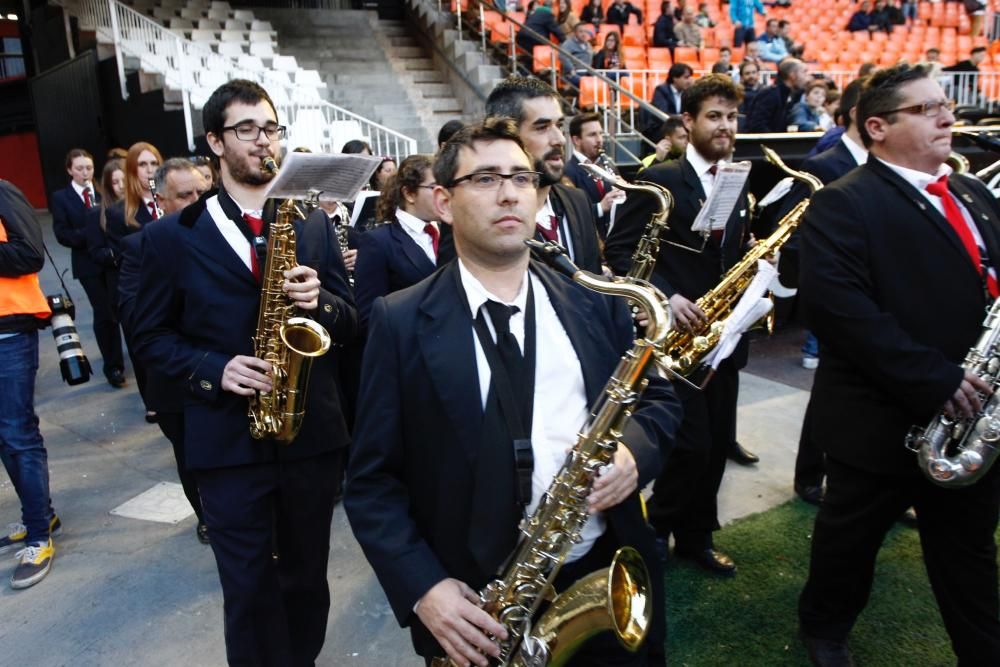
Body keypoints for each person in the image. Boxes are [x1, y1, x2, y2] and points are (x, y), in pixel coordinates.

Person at [344, 117, 681, 667]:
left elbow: (659, 401)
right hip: (476, 606)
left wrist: (631, 453)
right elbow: (371, 483)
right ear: (443, 201)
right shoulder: (398, 320)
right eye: (483, 179)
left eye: (522, 178)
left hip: (603, 568)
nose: (508, 193)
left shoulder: (595, 298)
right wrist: (424, 588)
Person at [130, 79, 358, 665]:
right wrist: (213, 368)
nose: (264, 141)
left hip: (309, 436)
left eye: (272, 128)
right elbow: (150, 337)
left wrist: (321, 303)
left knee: (307, 582)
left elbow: (349, 317)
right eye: (247, 129)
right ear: (215, 141)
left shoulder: (309, 224)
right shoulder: (166, 239)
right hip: (227, 441)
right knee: (250, 589)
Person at [796, 63, 1000, 667]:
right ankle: (825, 629)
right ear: (878, 126)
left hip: (970, 420)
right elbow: (840, 313)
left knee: (968, 553)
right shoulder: (842, 202)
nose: (947, 115)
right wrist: (934, 379)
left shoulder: (971, 191)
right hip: (880, 421)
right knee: (849, 542)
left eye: (946, 104)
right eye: (927, 108)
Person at [605, 73, 754, 577]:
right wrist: (668, 295)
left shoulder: (738, 176)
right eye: (714, 116)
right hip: (673, 340)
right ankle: (658, 529)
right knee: (687, 447)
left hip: (723, 338)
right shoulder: (661, 180)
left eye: (731, 117)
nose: (725, 126)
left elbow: (726, 252)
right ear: (687, 122)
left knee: (714, 447)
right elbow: (621, 251)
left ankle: (696, 537)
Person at [117, 158, 210, 543]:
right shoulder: (142, 245)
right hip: (176, 381)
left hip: (231, 375)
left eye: (202, 193)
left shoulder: (228, 235)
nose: (195, 201)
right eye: (184, 195)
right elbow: (135, 319)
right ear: (161, 200)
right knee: (191, 459)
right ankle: (205, 517)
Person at [0, 179, 60, 590]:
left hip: (9, 333)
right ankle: (40, 514)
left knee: (17, 433)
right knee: (6, 436)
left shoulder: (3, 191)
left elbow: (29, 254)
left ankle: (39, 535)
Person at [485, 76, 603, 273]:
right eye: (542, 128)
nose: (559, 139)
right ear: (507, 137)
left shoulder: (578, 201)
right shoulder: (480, 213)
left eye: (559, 125)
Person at [49, 148, 126, 389]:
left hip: (112, 260)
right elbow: (62, 234)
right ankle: (113, 365)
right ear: (70, 170)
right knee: (104, 313)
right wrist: (91, 234)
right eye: (80, 168)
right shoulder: (62, 198)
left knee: (122, 308)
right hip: (88, 265)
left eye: (89, 168)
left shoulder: (104, 190)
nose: (85, 172)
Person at [355, 154, 442, 328]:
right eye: (434, 188)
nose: (443, 195)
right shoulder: (377, 242)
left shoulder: (450, 231)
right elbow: (370, 317)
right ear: (409, 193)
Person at [564, 112, 625, 238]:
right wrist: (600, 207)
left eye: (600, 133)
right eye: (592, 135)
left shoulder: (608, 165)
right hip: (590, 241)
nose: (599, 140)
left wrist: (625, 189)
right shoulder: (567, 172)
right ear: (576, 140)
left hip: (613, 238)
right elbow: (569, 214)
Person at [746, 57, 810, 132]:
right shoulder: (770, 95)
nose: (807, 76)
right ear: (792, 75)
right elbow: (757, 125)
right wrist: (774, 141)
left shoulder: (791, 95)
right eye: (804, 72)